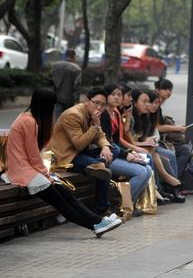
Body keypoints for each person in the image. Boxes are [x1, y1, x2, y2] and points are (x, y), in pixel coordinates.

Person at [1, 88, 122, 237]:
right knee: (61, 202)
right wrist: (47, 175)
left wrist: (46, 174)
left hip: (29, 169)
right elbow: (33, 156)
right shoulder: (29, 121)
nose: (53, 109)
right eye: (52, 106)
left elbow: (36, 152)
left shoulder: (30, 118)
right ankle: (95, 224)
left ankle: (98, 222)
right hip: (23, 172)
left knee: (65, 194)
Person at [51, 88, 115, 215]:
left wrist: (106, 147)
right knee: (104, 172)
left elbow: (101, 136)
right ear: (87, 101)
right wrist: (95, 126)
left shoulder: (94, 114)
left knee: (113, 150)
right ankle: (101, 209)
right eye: (96, 102)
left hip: (81, 153)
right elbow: (79, 144)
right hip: (67, 156)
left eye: (103, 105)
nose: (99, 107)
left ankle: (97, 163)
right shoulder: (73, 115)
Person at [100, 84, 152, 216]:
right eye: (113, 94)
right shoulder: (103, 114)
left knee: (148, 169)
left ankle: (130, 204)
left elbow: (117, 141)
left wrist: (130, 153)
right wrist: (127, 154)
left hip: (116, 153)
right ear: (106, 96)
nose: (117, 97)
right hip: (105, 156)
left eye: (119, 94)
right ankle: (121, 206)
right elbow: (107, 142)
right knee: (140, 172)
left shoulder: (116, 113)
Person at [51, 49, 82, 118]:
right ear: (74, 56)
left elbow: (50, 82)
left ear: (65, 55)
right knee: (68, 120)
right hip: (69, 100)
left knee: (58, 119)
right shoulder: (76, 69)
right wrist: (76, 101)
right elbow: (77, 86)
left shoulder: (55, 66)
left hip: (57, 98)